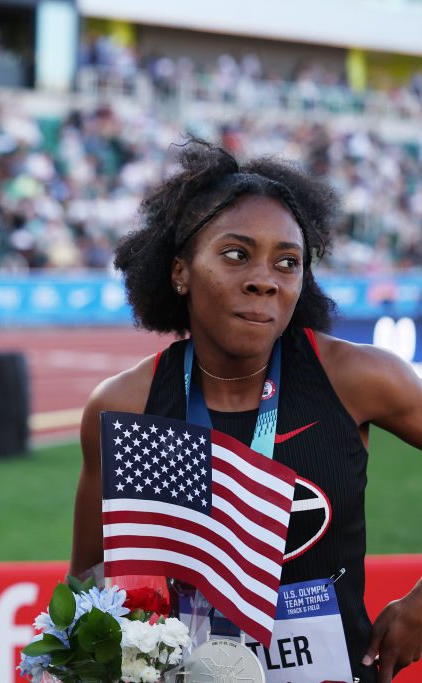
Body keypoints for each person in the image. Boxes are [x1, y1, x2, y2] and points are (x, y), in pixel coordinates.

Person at [69, 141, 422, 683]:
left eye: (288, 262)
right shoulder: (124, 406)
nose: (265, 279)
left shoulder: (358, 378)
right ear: (180, 271)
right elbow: (90, 579)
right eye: (236, 254)